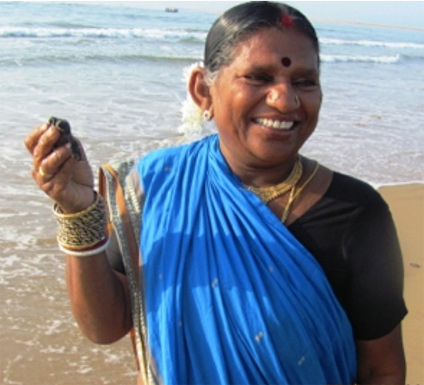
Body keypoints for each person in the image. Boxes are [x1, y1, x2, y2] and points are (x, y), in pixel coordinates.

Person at [25, 2, 407, 384]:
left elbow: (382, 370)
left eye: (304, 81)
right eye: (258, 77)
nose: (285, 99)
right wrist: (79, 214)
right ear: (203, 91)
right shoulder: (154, 186)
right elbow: (104, 327)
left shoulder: (357, 213)